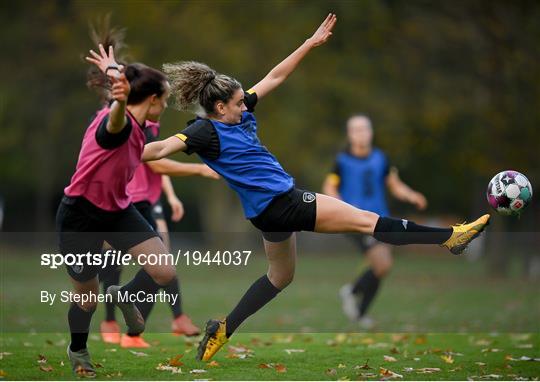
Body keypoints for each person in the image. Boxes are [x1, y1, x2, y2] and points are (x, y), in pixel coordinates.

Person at [137, 13, 488, 361]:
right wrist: (123, 147)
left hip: (267, 214)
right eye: (240, 102)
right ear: (219, 107)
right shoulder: (204, 131)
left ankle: (224, 329)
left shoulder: (238, 114)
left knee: (280, 276)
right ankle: (449, 237)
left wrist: (308, 44)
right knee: (369, 221)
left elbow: (275, 76)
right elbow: (160, 149)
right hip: (285, 202)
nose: (246, 105)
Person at [58, 46, 177, 376]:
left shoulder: (140, 127)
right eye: (164, 99)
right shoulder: (118, 124)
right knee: (87, 298)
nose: (166, 105)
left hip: (117, 212)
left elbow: (127, 87)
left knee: (164, 271)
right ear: (151, 99)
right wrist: (120, 101)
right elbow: (115, 122)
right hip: (80, 216)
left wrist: (113, 68)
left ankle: (124, 294)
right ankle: (78, 350)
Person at [323, 114, 428, 329]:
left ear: (370, 132)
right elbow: (329, 187)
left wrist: (411, 195)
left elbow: (394, 184)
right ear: (350, 134)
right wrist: (340, 205)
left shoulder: (381, 158)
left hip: (379, 219)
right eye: (356, 130)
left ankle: (357, 307)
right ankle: (352, 293)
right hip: (354, 220)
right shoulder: (342, 161)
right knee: (383, 263)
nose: (361, 133)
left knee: (381, 267)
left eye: (365, 129)